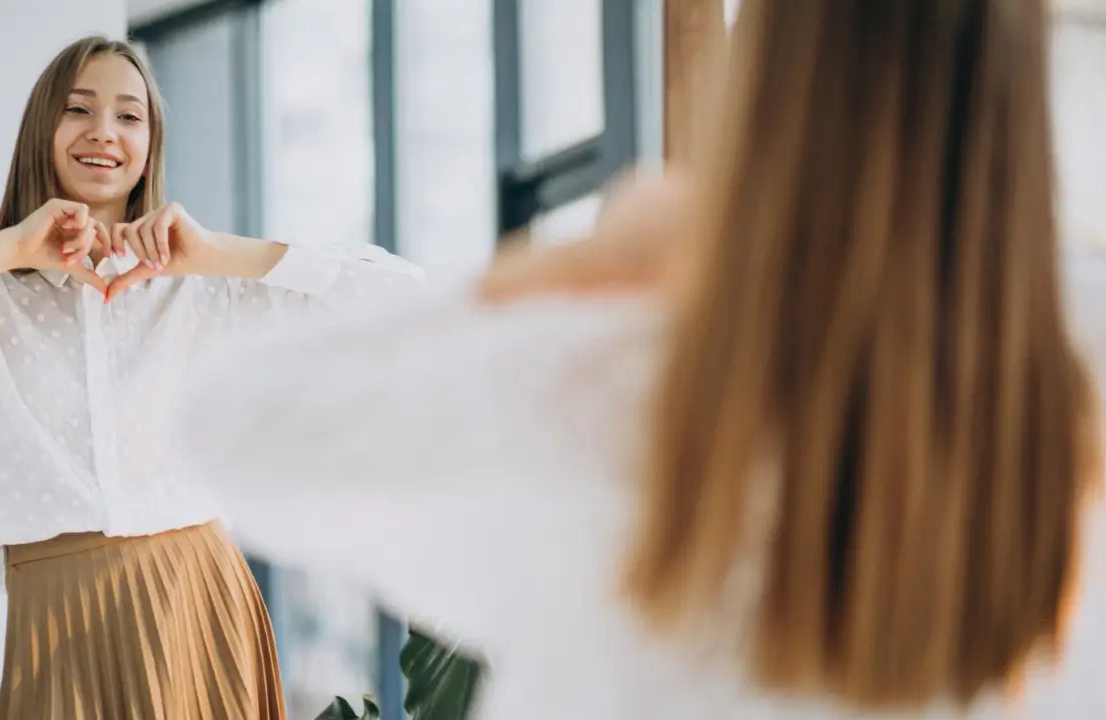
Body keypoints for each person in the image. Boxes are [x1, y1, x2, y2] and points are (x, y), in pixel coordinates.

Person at [173, 0, 1105, 717]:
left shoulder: (642, 381)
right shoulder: (1068, 397)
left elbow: (231, 422)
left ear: (769, 94)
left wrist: (594, 258)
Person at [0, 36, 422, 720]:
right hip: (55, 616)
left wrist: (224, 254)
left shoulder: (204, 292)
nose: (104, 131)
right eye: (79, 110)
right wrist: (9, 247)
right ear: (42, 127)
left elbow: (404, 299)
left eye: (130, 116)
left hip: (195, 598)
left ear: (151, 145)